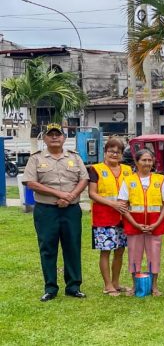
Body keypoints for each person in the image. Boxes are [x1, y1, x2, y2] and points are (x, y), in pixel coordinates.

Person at [22, 123, 89, 302]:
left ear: (64, 138)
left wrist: (70, 196)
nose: (54, 137)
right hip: (46, 210)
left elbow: (84, 178)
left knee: (73, 247)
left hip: (71, 210)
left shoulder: (74, 157)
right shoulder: (36, 159)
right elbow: (31, 183)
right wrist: (60, 194)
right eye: (50, 134)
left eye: (57, 134)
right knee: (48, 248)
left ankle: (73, 287)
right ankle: (50, 287)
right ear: (44, 138)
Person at [119, 149, 164, 296]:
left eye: (150, 160)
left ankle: (154, 286)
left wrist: (157, 223)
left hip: (155, 224)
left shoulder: (160, 180)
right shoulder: (128, 180)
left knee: (154, 254)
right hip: (134, 224)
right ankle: (135, 286)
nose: (147, 163)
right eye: (144, 160)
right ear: (136, 162)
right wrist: (135, 224)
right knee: (134, 255)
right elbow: (122, 205)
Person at [88, 137, 133, 297]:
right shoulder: (96, 169)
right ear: (105, 152)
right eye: (111, 151)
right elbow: (92, 193)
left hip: (123, 216)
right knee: (106, 251)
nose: (114, 154)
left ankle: (116, 282)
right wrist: (112, 204)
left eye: (118, 152)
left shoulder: (128, 170)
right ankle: (107, 285)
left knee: (120, 250)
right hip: (104, 216)